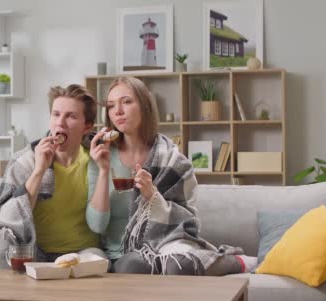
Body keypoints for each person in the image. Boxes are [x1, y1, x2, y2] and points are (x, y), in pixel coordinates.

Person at [87, 76, 257, 275]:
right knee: (132, 265)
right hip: (123, 252)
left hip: (167, 243)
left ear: (144, 105)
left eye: (126, 102)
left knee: (178, 265)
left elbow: (187, 219)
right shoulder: (100, 157)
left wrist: (152, 195)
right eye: (111, 105)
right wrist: (104, 170)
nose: (118, 111)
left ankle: (238, 262)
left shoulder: (172, 159)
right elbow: (97, 226)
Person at [0, 84, 106, 269]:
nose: (60, 123)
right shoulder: (25, 161)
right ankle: (5, 297)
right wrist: (39, 170)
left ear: (87, 126)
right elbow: (10, 218)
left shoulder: (98, 159)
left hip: (82, 252)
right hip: (34, 251)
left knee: (97, 260)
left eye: (70, 116)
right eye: (56, 114)